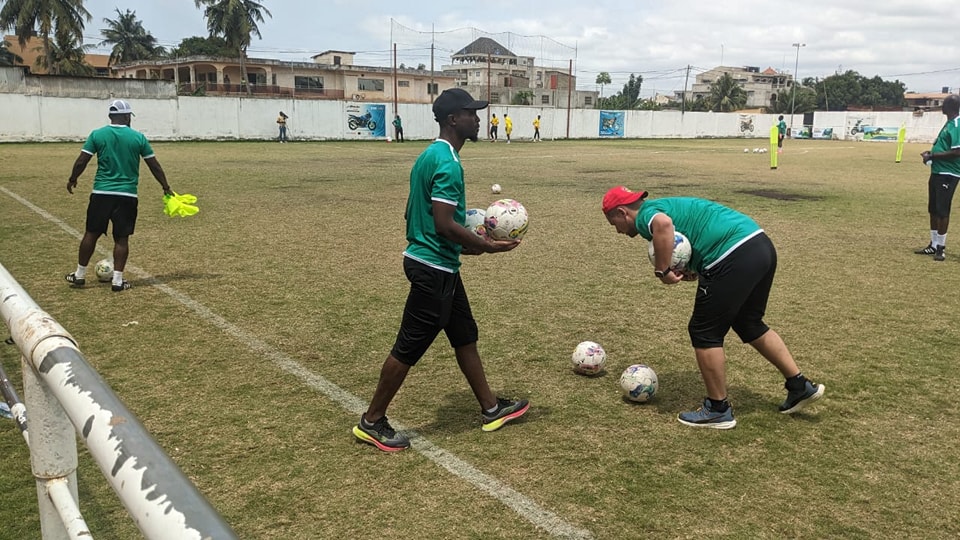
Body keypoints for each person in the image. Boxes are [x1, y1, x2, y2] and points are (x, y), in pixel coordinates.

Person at [352, 88, 529, 452]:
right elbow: (445, 223)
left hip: (439, 264)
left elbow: (414, 215)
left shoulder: (429, 156)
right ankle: (371, 421)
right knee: (408, 346)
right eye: (471, 113)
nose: (478, 119)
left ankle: (491, 408)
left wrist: (466, 247)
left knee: (464, 335)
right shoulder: (448, 163)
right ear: (453, 119)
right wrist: (485, 246)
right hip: (433, 269)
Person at [602, 186, 824, 429]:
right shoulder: (665, 204)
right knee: (748, 323)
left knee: (704, 331)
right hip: (759, 245)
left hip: (732, 254)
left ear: (623, 212)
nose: (616, 231)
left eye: (613, 223)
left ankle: (718, 409)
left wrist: (663, 271)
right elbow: (692, 232)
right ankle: (799, 386)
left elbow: (663, 226)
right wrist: (695, 269)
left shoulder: (646, 216)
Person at [65, 99, 174, 292]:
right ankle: (117, 280)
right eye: (129, 117)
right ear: (125, 116)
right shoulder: (138, 138)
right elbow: (154, 165)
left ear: (110, 116)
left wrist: (73, 178)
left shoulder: (97, 134)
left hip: (101, 193)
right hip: (127, 194)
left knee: (91, 233)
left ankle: (79, 275)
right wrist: (165, 186)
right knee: (121, 239)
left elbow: (83, 160)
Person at [915, 94, 960, 262]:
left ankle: (941, 247)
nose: (941, 106)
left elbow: (957, 152)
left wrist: (933, 155)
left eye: (943, 103)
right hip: (937, 172)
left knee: (942, 211)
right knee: (933, 209)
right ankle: (933, 244)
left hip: (948, 174)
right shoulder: (948, 123)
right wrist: (931, 155)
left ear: (950, 106)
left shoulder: (957, 124)